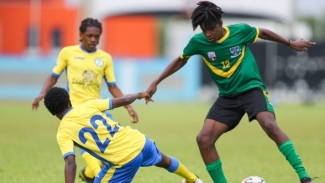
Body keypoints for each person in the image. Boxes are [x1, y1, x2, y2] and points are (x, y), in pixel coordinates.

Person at [145, 1, 316, 183]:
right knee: (204, 139)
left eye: (211, 28)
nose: (208, 34)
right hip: (227, 98)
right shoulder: (199, 42)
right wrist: (156, 81)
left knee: (269, 125)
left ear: (220, 22)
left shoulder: (239, 31)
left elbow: (263, 32)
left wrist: (290, 43)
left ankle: (304, 177)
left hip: (251, 90)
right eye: (204, 30)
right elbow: (181, 59)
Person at [32, 18, 138, 183]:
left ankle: (89, 173)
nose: (93, 40)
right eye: (89, 36)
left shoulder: (105, 58)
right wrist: (42, 93)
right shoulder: (67, 53)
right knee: (87, 146)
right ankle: (95, 175)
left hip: (97, 108)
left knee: (110, 148)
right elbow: (53, 76)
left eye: (97, 36)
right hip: (73, 111)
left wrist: (128, 107)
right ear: (80, 35)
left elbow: (112, 86)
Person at [43, 87, 203, 183]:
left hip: (124, 159)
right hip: (139, 140)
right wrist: (139, 95)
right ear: (69, 101)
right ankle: (193, 179)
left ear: (52, 113)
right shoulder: (88, 105)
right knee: (163, 160)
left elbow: (70, 163)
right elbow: (123, 100)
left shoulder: (63, 131)